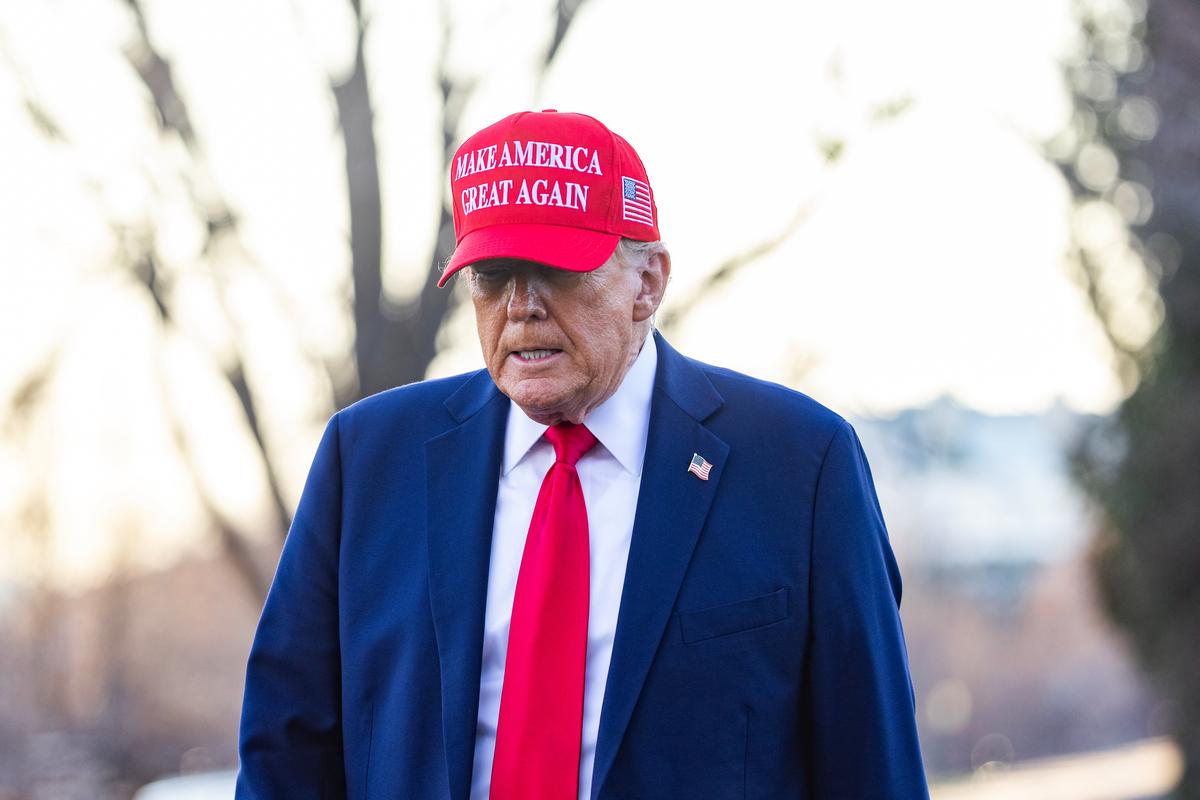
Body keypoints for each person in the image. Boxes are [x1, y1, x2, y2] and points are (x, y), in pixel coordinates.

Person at [236, 110, 929, 799]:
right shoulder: (366, 462)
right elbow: (285, 758)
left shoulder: (798, 465)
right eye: (492, 275)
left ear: (649, 282)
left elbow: (874, 768)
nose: (521, 306)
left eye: (555, 271)